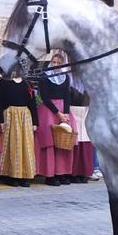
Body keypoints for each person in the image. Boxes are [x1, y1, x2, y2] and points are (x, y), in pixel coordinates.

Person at [34, 49, 76, 186]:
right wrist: (58, 113)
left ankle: (62, 173)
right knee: (50, 143)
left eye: (59, 62)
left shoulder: (65, 77)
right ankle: (49, 175)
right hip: (49, 110)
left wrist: (66, 114)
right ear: (50, 62)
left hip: (63, 110)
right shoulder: (44, 77)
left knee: (64, 143)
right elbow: (45, 98)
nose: (56, 64)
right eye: (53, 62)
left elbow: (67, 96)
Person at [0, 68, 38, 187]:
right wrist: (0, 120)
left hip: (25, 116)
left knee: (25, 145)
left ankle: (24, 175)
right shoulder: (3, 82)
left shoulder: (27, 83)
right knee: (11, 145)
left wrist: (35, 122)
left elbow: (32, 103)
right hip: (10, 115)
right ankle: (10, 175)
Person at [70, 82, 95, 183]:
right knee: (75, 142)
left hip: (86, 112)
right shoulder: (69, 79)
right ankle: (73, 173)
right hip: (73, 111)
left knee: (85, 142)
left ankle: (84, 172)